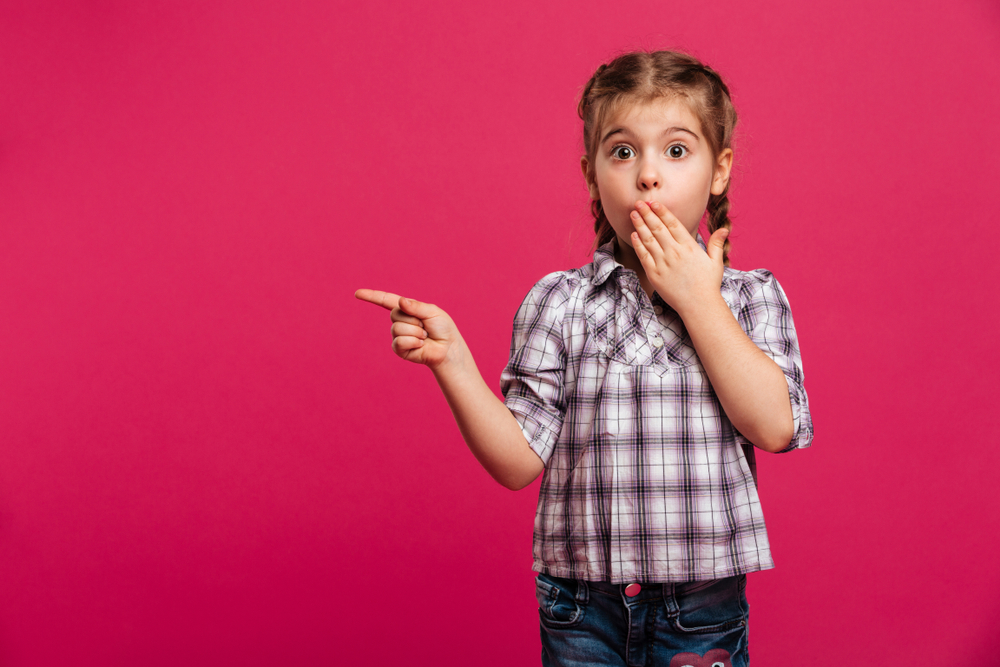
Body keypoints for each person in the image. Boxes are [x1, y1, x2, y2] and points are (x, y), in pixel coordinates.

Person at [356, 50, 812, 667]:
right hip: (580, 608)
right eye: (623, 152)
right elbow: (519, 463)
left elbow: (775, 427)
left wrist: (700, 302)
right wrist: (453, 362)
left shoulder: (752, 295)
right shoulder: (559, 302)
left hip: (703, 608)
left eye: (676, 151)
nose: (647, 175)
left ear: (719, 170)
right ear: (593, 173)